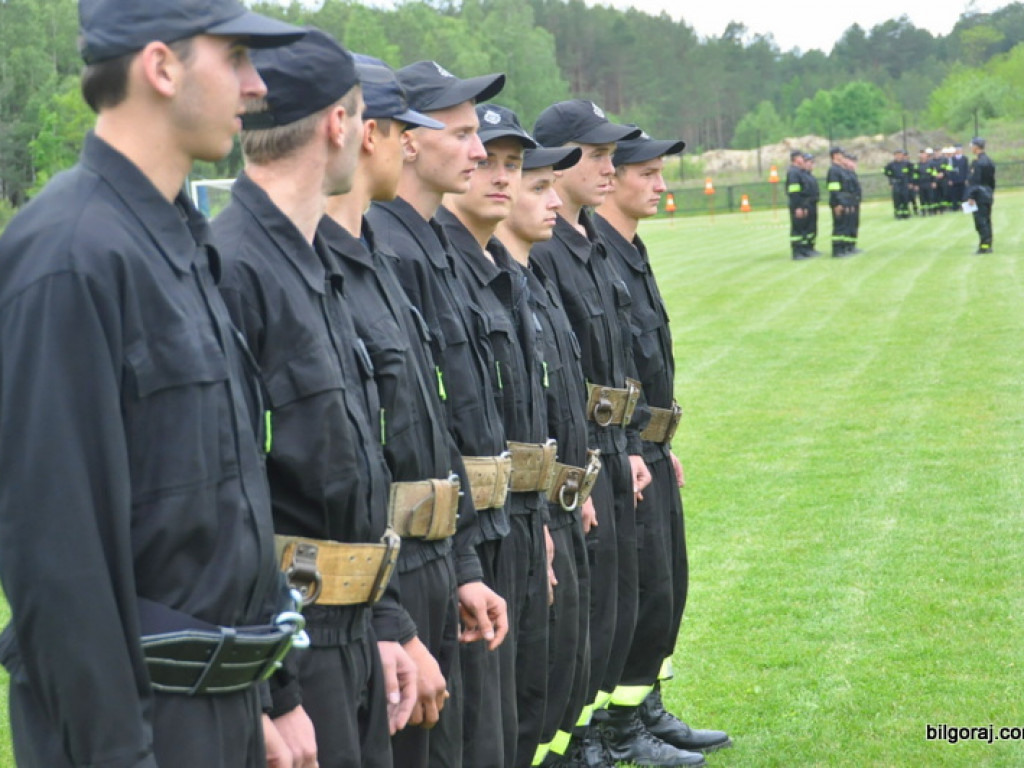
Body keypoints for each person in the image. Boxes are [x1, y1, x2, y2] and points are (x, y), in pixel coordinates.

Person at [0, 2, 307, 766]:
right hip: (140, 734)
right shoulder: (70, 255)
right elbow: (59, 564)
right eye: (234, 56)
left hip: (216, 716)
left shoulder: (180, 244)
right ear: (161, 66)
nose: (257, 84)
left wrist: (258, 702)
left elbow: (220, 513)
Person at [213, 30, 422, 768]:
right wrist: (273, 689)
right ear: (341, 125)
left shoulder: (315, 265)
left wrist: (386, 621)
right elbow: (225, 507)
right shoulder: (232, 268)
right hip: (297, 645)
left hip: (354, 633)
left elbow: (352, 474)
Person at [318, 53, 485, 768]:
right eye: (401, 131)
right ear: (366, 134)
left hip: (428, 564)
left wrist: (466, 559)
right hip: (368, 592)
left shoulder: (376, 257)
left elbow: (430, 424)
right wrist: (388, 619)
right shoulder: (297, 266)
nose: (410, 145)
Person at [365, 59, 512, 768]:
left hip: (447, 547)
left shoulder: (425, 245)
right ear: (408, 141)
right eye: (461, 134)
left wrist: (464, 559)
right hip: (399, 564)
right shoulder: (388, 248)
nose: (481, 153)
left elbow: (443, 416)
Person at [530, 99, 662, 767]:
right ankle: (587, 741)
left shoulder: (584, 243)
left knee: (621, 601)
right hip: (583, 459)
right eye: (598, 155)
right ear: (558, 161)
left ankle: (614, 727)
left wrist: (634, 449)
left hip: (615, 450)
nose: (609, 167)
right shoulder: (547, 247)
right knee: (586, 614)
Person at [595, 127, 731, 767]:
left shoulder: (630, 248)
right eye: (645, 173)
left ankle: (643, 707)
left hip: (647, 444)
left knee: (664, 584)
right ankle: (621, 729)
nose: (660, 185)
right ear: (610, 178)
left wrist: (657, 440)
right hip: (620, 449)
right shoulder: (596, 249)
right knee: (637, 589)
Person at [439, 103, 558, 768]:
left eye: (514, 164)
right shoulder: (431, 267)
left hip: (513, 518)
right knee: (482, 720)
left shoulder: (504, 275)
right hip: (465, 537)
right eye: (484, 155)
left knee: (519, 703)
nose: (497, 173)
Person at [493, 141, 599, 768]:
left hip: (553, 503)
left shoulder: (532, 278)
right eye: (538, 187)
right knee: (525, 682)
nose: (554, 200)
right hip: (515, 519)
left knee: (561, 665)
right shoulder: (498, 285)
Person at [965, 136, 996, 254]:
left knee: (980, 221)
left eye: (972, 146)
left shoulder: (978, 163)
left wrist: (971, 196)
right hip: (987, 193)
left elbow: (975, 181)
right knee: (987, 220)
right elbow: (992, 181)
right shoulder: (989, 161)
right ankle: (988, 244)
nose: (971, 148)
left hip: (979, 195)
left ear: (976, 147)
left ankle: (984, 246)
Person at [786, 150, 817, 260]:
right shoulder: (793, 173)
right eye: (801, 157)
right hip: (797, 205)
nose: (803, 159)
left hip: (804, 205)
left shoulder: (800, 172)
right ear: (795, 159)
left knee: (804, 229)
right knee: (797, 230)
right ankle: (797, 252)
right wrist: (798, 207)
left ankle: (804, 250)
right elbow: (794, 192)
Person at [826, 147, 856, 257]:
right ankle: (837, 250)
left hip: (845, 202)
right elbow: (834, 189)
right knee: (839, 227)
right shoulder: (833, 170)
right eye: (840, 154)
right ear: (835, 156)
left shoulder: (841, 170)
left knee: (845, 226)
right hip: (839, 203)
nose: (842, 156)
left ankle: (844, 248)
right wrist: (838, 203)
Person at [843, 152, 863, 255]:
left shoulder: (852, 173)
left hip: (854, 202)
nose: (853, 164)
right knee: (848, 225)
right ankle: (847, 246)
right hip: (849, 203)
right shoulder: (845, 173)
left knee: (854, 224)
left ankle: (852, 245)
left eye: (854, 162)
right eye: (851, 161)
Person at [884, 149, 912, 219]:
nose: (898, 156)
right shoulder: (891, 164)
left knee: (905, 198)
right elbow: (886, 172)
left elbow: (911, 173)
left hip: (904, 182)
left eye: (900, 155)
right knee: (897, 199)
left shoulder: (907, 163)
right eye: (897, 155)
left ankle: (906, 214)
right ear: (894, 156)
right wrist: (890, 182)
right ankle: (898, 214)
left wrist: (910, 182)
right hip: (896, 183)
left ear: (903, 155)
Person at [949, 144, 969, 213]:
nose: (958, 151)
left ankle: (964, 207)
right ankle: (955, 208)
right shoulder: (951, 159)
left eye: (959, 149)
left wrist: (966, 178)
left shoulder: (965, 159)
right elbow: (949, 170)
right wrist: (950, 179)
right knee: (954, 195)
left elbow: (967, 169)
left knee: (964, 194)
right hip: (954, 180)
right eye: (956, 149)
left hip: (962, 180)